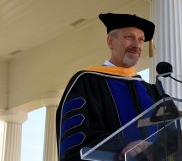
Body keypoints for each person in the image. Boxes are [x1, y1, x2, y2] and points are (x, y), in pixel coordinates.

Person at [56, 13, 164, 161]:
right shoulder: (87, 81)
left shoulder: (151, 91)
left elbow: (166, 135)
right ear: (111, 42)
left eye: (141, 40)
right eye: (129, 37)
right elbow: (75, 143)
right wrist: (122, 146)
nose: (137, 45)